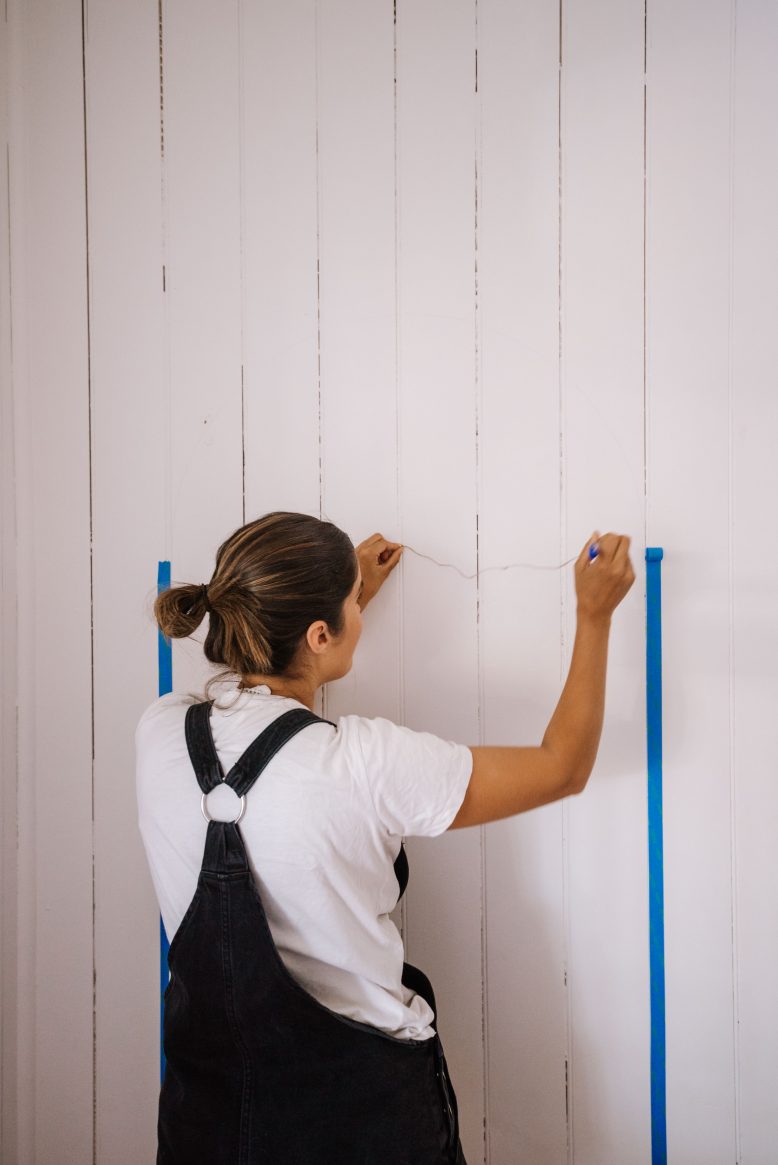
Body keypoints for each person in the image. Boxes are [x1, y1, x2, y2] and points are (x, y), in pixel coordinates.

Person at [136, 511, 635, 1164]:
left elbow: (269, 733)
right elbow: (562, 766)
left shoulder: (161, 731)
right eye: (351, 606)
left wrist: (336, 606)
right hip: (358, 1120)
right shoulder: (366, 763)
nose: (360, 615)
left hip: (208, 1119)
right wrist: (595, 615)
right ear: (319, 633)